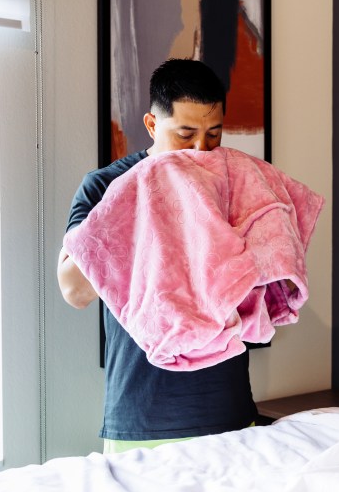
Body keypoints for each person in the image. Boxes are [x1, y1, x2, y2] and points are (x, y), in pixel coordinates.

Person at [57, 58, 257, 454]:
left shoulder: (235, 184)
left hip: (228, 408)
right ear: (152, 125)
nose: (201, 150)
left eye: (213, 135)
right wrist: (138, 196)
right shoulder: (106, 185)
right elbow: (74, 291)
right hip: (141, 413)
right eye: (185, 134)